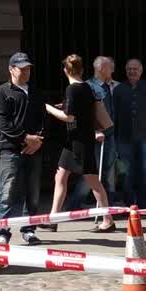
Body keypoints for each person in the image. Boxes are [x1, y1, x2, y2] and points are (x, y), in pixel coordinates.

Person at [48, 54, 115, 232]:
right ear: (82, 70)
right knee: (60, 176)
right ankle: (53, 219)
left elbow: (69, 117)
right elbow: (83, 111)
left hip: (80, 141)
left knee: (93, 181)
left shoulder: (72, 89)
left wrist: (48, 108)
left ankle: (108, 219)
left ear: (65, 70)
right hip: (75, 140)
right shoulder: (86, 87)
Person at [0, 52, 46, 245]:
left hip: (34, 149)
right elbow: (3, 123)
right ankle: (3, 231)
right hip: (10, 150)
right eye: (22, 69)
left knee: (32, 194)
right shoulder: (2, 92)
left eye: (28, 68)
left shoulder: (36, 92)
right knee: (7, 192)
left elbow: (42, 119)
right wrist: (25, 139)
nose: (26, 72)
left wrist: (38, 140)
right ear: (11, 69)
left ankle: (29, 229)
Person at [112, 59, 146, 209]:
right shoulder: (118, 89)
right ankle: (129, 204)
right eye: (129, 69)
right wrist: (112, 135)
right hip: (123, 138)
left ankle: (142, 205)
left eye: (135, 69)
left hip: (145, 137)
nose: (132, 71)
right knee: (126, 173)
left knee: (144, 172)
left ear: (141, 71)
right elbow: (113, 116)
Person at [86, 57, 119, 200]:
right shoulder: (88, 86)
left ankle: (109, 201)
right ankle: (77, 203)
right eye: (109, 67)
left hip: (110, 135)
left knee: (110, 169)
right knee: (93, 172)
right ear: (101, 68)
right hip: (96, 136)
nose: (112, 70)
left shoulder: (113, 86)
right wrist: (94, 130)